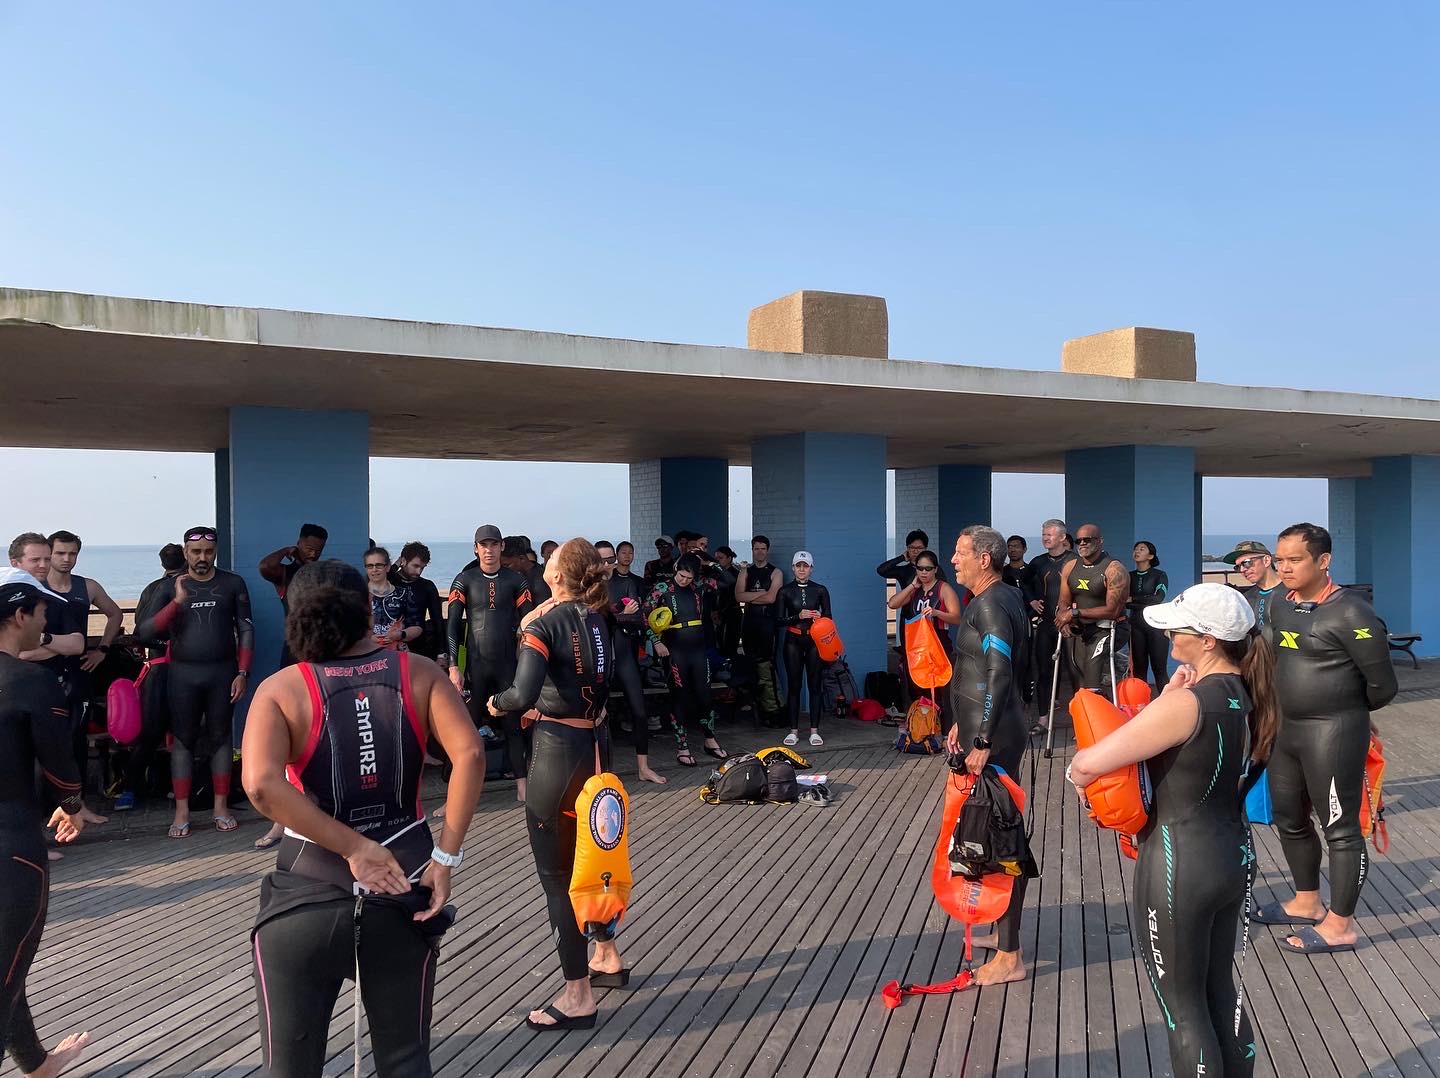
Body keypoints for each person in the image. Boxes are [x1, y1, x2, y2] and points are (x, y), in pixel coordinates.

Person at [242, 560, 483, 1078]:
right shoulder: (419, 672)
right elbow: (470, 755)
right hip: (403, 887)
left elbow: (261, 785)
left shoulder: (282, 688)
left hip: (302, 893)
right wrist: (445, 857)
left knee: (289, 1069)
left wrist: (351, 848)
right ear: (369, 609)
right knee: (404, 1061)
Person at [1070, 582, 1279, 1076]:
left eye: (1176, 627)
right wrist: (1166, 698)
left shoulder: (1186, 704)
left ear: (1207, 640)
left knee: (1182, 1011)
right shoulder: (1247, 696)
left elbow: (1089, 762)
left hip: (1177, 863)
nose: (1167, 632)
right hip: (1234, 855)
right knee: (1221, 991)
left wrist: (1079, 778)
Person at [486, 539, 628, 1031]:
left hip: (557, 753)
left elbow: (523, 692)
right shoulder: (598, 618)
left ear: (557, 575)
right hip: (597, 747)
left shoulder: (543, 624)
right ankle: (606, 954)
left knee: (558, 877)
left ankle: (577, 996)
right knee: (599, 857)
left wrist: (497, 703)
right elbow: (613, 681)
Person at [1262, 523, 1397, 954]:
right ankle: (1306, 901)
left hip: (1332, 732)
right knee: (1289, 818)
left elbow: (1383, 686)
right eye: (1279, 559)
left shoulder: (1352, 613)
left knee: (1340, 829)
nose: (1284, 567)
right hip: (1286, 730)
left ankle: (1340, 925)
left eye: (1294, 559)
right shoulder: (1280, 604)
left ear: (1323, 561)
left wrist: (1349, 714)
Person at [0, 581, 93, 1077]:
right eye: (41, 612)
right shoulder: (29, 681)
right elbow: (59, 764)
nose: (46, 622)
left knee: (6, 966)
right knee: (6, 965)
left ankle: (36, 1065)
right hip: (11, 846)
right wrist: (73, 804)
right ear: (19, 615)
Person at [945, 526, 1033, 986]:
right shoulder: (1005, 595)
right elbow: (979, 671)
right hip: (990, 726)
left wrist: (981, 741)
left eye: (960, 553)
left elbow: (999, 675)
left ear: (984, 558)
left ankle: (1010, 954)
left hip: (995, 738)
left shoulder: (991, 604)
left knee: (1002, 841)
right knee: (989, 832)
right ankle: (1001, 931)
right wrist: (965, 720)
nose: (953, 559)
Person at [135, 526, 254, 839]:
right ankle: (182, 811)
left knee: (220, 737)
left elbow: (245, 629)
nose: (203, 558)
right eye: (196, 552)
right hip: (183, 674)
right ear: (185, 553)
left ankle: (220, 807)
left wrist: (243, 672)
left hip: (223, 673)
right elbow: (145, 633)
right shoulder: (169, 587)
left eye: (209, 552)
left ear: (215, 553)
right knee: (184, 740)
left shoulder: (232, 583)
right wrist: (176, 603)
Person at [448, 525, 534, 799]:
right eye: (483, 545)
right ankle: (457, 794)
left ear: (502, 547)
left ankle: (522, 787)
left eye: (494, 544)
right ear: (475, 548)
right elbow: (452, 626)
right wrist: (453, 667)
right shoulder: (464, 579)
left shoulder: (516, 580)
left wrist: (528, 659)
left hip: (508, 665)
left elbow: (529, 621)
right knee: (466, 731)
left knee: (513, 727)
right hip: (476, 666)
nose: (489, 550)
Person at [113, 543, 186, 813]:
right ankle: (174, 788)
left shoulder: (150, 588)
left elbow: (139, 631)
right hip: (177, 667)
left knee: (150, 734)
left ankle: (130, 789)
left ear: (162, 563)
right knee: (182, 733)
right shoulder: (184, 587)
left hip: (155, 667)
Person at [595, 541, 665, 785]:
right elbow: (595, 620)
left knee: (639, 710)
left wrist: (624, 616)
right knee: (596, 714)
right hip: (600, 658)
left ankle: (643, 767)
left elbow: (638, 620)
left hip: (625, 655)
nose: (608, 564)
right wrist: (620, 615)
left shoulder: (627, 583)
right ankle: (599, 771)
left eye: (610, 559)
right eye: (602, 560)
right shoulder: (591, 588)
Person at [648, 554, 727, 766]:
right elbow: (644, 614)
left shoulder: (699, 585)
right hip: (675, 651)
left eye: (688, 577)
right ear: (676, 568)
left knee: (705, 695)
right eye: (681, 575)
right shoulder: (663, 589)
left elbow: (728, 582)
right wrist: (656, 642)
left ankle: (710, 740)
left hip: (699, 650)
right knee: (679, 697)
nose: (684, 580)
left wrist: (708, 562)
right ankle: (682, 746)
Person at [888, 549, 964, 732]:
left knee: (940, 689)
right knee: (918, 688)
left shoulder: (943, 588)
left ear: (935, 569)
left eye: (927, 569)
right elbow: (893, 603)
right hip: (919, 646)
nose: (923, 572)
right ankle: (923, 727)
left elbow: (957, 618)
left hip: (939, 644)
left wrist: (937, 612)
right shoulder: (915, 590)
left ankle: (944, 730)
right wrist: (912, 586)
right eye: (920, 568)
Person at [1056, 523, 1130, 700]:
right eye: (1078, 540)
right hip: (1080, 628)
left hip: (1108, 627)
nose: (1082, 544)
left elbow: (1113, 610)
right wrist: (1064, 618)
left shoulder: (1114, 569)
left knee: (1091, 677)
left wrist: (1074, 614)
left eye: (1087, 540)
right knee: (1078, 680)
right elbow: (1064, 600)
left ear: (1100, 541)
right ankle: (1089, 718)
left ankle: (1103, 719)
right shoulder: (1070, 566)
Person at [775, 551, 833, 748]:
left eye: (805, 566)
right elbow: (778, 620)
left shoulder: (820, 590)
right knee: (794, 686)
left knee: (815, 685)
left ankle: (814, 731)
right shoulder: (785, 591)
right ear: (793, 568)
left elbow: (829, 617)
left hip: (814, 641)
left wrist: (819, 617)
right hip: (793, 641)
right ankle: (793, 731)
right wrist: (797, 616)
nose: (802, 569)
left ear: (811, 568)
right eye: (798, 565)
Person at [1027, 519, 1079, 727]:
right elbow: (1022, 581)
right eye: (1043, 535)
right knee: (1043, 672)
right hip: (1047, 624)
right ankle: (1043, 720)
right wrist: (1031, 599)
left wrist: (1075, 612)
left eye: (1049, 535)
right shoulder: (1039, 562)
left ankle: (1080, 722)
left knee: (1076, 673)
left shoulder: (1075, 561)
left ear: (1062, 538)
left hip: (1070, 625)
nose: (1045, 538)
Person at [258, 524, 329, 667]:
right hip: (295, 648)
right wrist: (285, 551)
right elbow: (265, 566)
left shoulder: (324, 574)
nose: (313, 554)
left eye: (318, 551)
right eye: (309, 549)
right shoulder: (285, 573)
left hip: (322, 646)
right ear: (298, 544)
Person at [736, 535, 784, 725]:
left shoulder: (776, 572)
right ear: (752, 549)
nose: (760, 552)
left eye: (763, 548)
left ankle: (772, 709)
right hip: (749, 623)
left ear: (767, 550)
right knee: (751, 664)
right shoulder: (745, 571)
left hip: (767, 624)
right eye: (756, 548)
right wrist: (762, 595)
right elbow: (738, 595)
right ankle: (756, 707)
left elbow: (772, 598)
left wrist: (751, 597)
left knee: (766, 665)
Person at [389, 542, 446, 663]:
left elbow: (438, 621)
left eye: (422, 567)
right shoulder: (390, 582)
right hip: (391, 645)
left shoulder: (427, 586)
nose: (419, 571)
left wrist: (441, 653)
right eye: (415, 566)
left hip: (420, 646)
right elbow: (374, 580)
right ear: (403, 561)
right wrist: (395, 565)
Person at [1224, 540, 1285, 646]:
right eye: (1237, 567)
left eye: (1247, 563)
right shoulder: (1245, 599)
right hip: (1256, 660)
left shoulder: (1294, 593)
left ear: (1266, 560)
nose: (1242, 570)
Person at [1128, 540, 1171, 691]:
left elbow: (1158, 598)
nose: (1137, 551)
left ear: (1151, 555)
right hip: (1136, 625)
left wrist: (1133, 599)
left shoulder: (1160, 575)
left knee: (1159, 669)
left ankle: (1167, 705)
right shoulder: (1129, 576)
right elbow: (1123, 602)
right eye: (1135, 549)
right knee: (1139, 670)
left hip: (1156, 625)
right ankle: (1141, 707)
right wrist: (1142, 601)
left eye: (1142, 549)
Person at [364, 547, 424, 651]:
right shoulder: (357, 595)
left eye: (379, 565)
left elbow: (417, 626)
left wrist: (401, 634)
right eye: (370, 566)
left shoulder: (404, 594)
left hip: (397, 653)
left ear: (387, 567)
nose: (374, 569)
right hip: (367, 654)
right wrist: (369, 638)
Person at [711, 545, 742, 658]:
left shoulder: (736, 574)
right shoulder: (715, 573)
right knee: (719, 643)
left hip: (732, 612)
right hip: (718, 612)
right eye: (716, 558)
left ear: (729, 558)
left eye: (721, 558)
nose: (718, 561)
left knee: (730, 643)